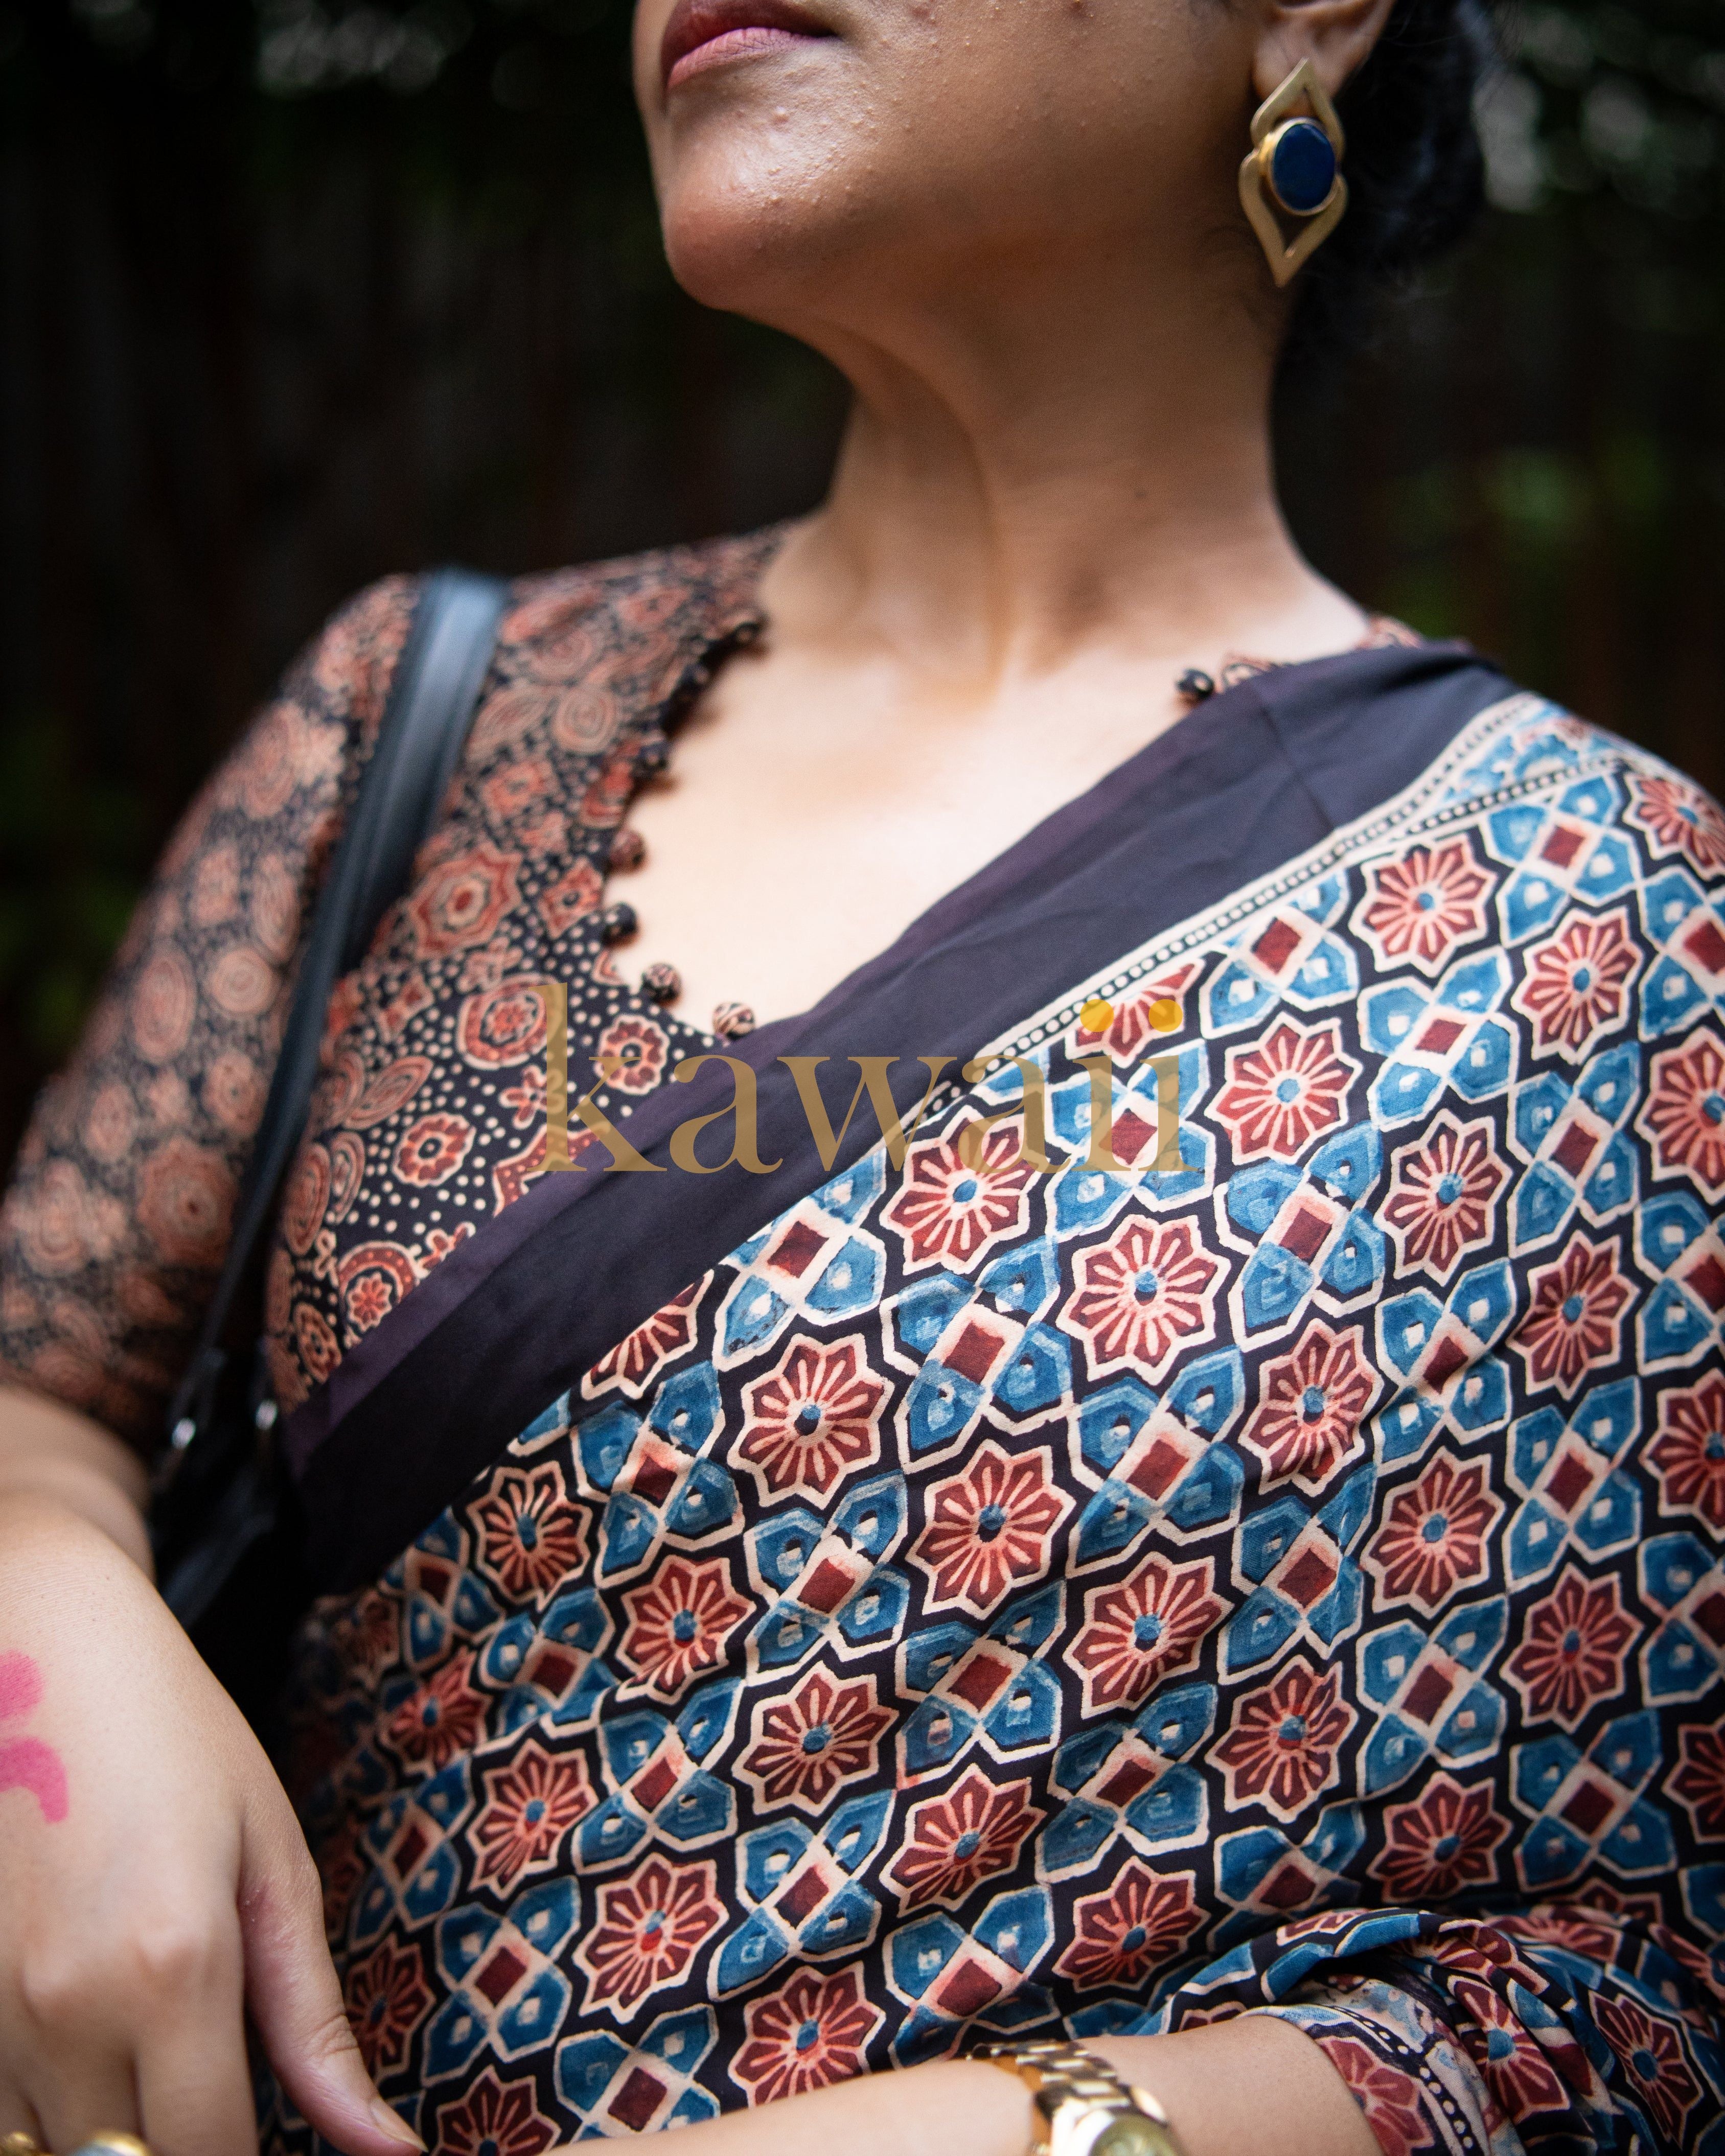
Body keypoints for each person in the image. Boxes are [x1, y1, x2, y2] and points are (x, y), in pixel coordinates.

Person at [2, 0, 1722, 2152]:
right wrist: (46, 1647)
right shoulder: (427, 726)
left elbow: (1636, 1994)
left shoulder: (1599, 925)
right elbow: (44, 1390)